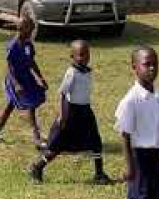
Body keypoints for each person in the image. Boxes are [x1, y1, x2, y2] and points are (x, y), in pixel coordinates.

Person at [28, 40, 112, 184]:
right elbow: (62, 93)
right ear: (72, 56)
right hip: (71, 113)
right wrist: (62, 115)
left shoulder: (87, 71)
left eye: (87, 54)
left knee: (95, 141)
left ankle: (99, 174)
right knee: (58, 145)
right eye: (81, 55)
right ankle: (37, 167)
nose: (85, 57)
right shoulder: (72, 73)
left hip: (85, 111)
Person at [115, 46, 159, 199]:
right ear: (134, 67)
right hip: (139, 157)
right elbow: (125, 135)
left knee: (157, 192)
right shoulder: (131, 101)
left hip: (157, 155)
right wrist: (130, 167)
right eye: (147, 64)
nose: (152, 68)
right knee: (141, 194)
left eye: (155, 64)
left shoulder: (156, 92)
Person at [0, 15, 49, 149]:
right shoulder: (13, 46)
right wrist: (15, 84)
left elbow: (32, 62)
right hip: (15, 80)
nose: (32, 32)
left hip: (27, 79)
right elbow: (9, 67)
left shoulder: (28, 44)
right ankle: (36, 138)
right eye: (30, 29)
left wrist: (40, 77)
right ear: (22, 29)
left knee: (15, 106)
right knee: (24, 106)